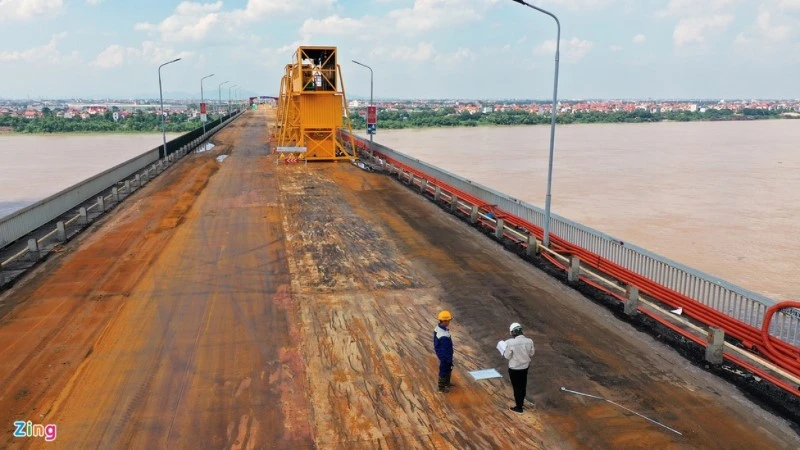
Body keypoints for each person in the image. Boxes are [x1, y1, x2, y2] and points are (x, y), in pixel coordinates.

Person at [502, 322, 535, 413]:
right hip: (525, 367)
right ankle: (521, 401)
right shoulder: (529, 341)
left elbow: (507, 356)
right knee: (523, 385)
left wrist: (504, 351)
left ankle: (519, 408)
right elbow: (532, 353)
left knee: (516, 387)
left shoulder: (510, 342)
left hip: (514, 369)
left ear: (513, 332)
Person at [433, 310, 454, 393]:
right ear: (444, 321)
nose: (449, 322)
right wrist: (448, 359)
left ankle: (447, 383)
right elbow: (445, 349)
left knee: (449, 368)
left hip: (445, 354)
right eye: (448, 320)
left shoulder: (438, 328)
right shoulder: (443, 336)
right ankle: (441, 387)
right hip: (445, 356)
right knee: (444, 370)